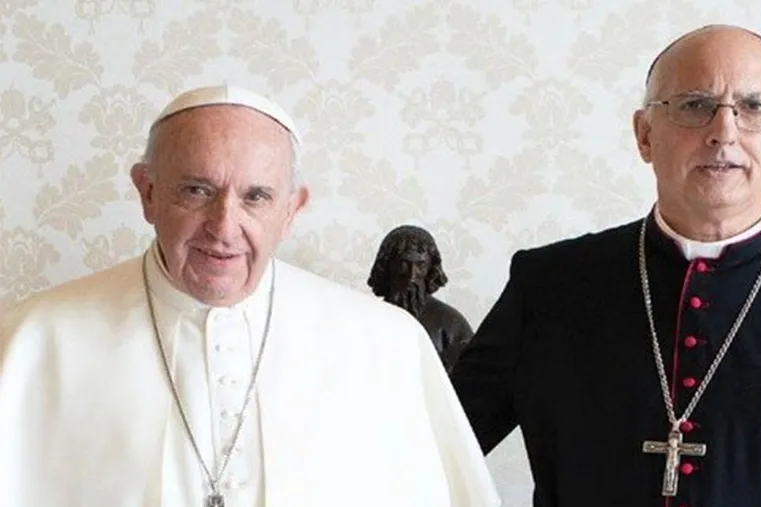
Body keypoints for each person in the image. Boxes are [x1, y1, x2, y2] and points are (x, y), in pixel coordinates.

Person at [450, 24, 761, 507]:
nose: (723, 132)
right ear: (645, 135)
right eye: (694, 105)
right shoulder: (548, 287)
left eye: (753, 108)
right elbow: (428, 448)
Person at [0, 85, 500, 507]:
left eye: (256, 196)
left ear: (292, 207)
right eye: (196, 190)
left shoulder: (388, 345)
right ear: (146, 192)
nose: (224, 227)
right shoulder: (32, 339)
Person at [367, 224, 475, 372]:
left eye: (420, 265)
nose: (411, 277)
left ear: (430, 268)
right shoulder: (367, 318)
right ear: (387, 266)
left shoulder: (450, 324)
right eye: (403, 264)